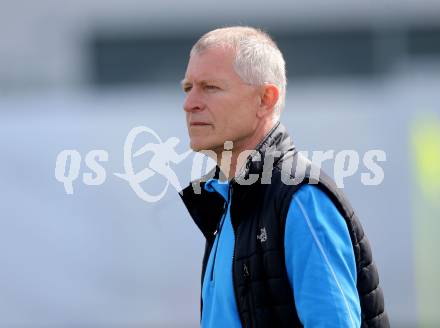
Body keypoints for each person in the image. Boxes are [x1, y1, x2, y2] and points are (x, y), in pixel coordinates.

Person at [179, 26, 389, 328]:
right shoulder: (228, 202)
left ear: (265, 99)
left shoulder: (302, 200)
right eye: (188, 88)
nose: (190, 104)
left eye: (210, 87)